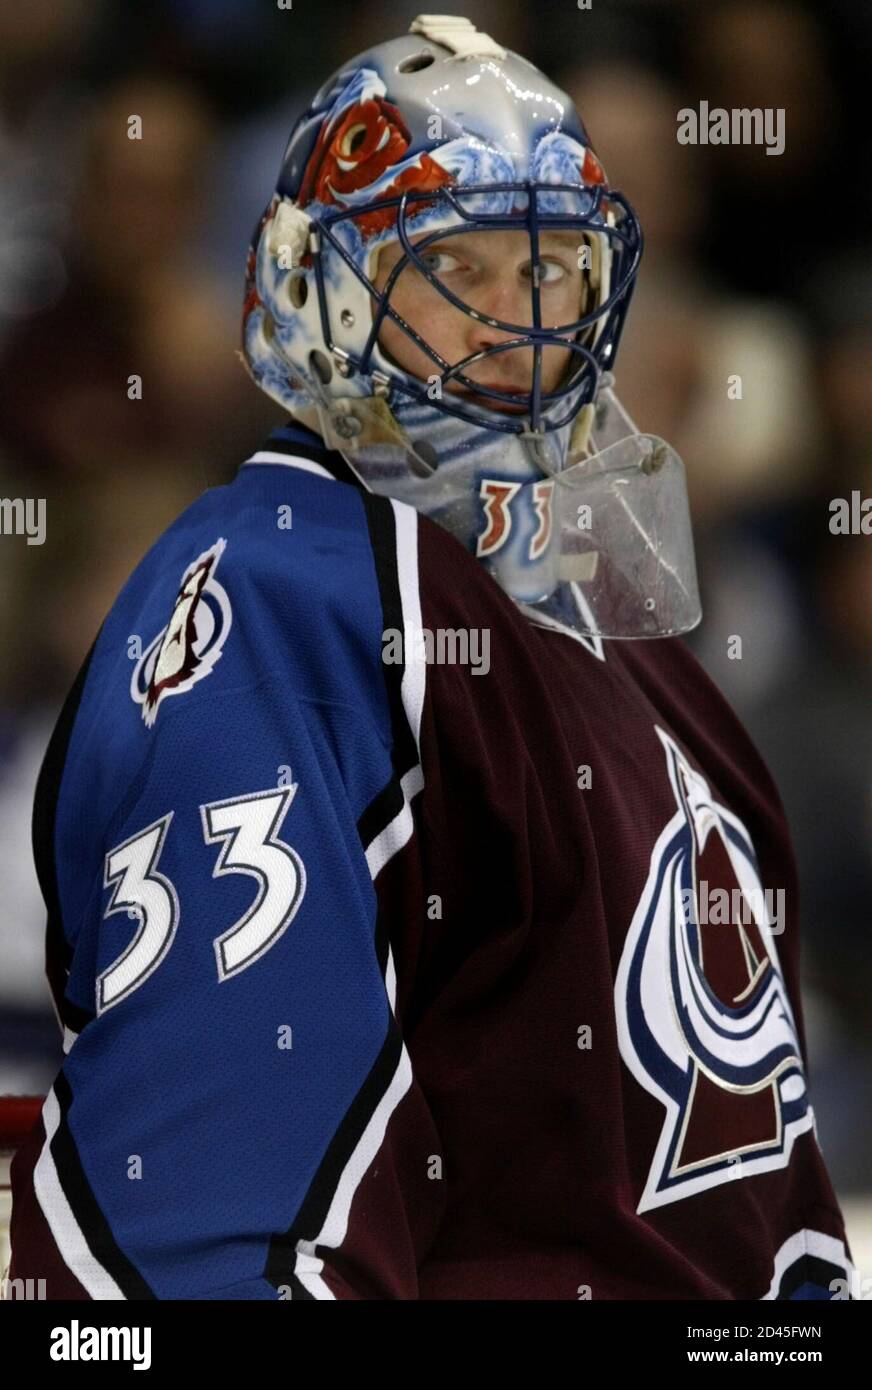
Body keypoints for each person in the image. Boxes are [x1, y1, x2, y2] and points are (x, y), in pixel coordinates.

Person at [6, 15, 854, 1300]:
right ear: (323, 293)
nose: (520, 329)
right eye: (460, 270)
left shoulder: (638, 649)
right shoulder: (282, 595)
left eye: (554, 270)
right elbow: (223, 1209)